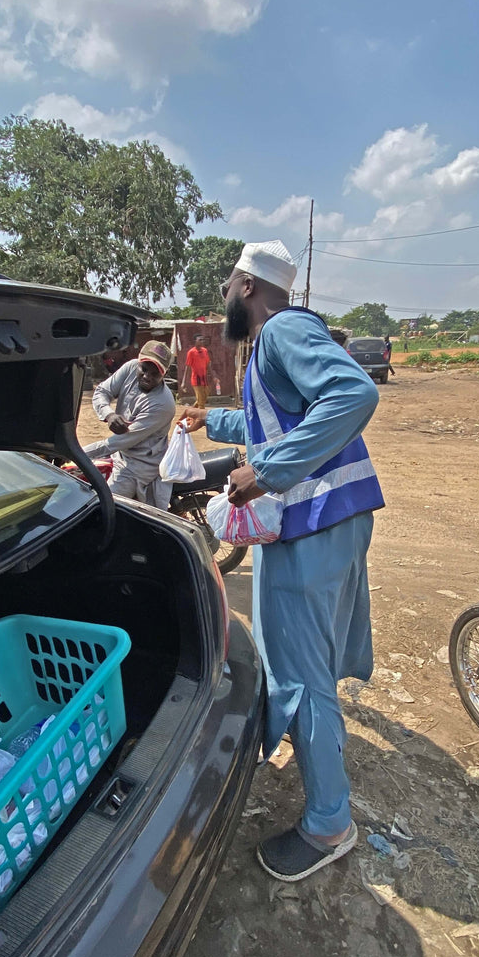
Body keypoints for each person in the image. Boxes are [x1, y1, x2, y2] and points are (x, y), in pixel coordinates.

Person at [180, 240, 384, 882]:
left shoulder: (282, 330)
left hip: (314, 521)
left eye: (224, 287)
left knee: (297, 674)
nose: (222, 300)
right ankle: (323, 787)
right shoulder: (282, 341)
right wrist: (209, 421)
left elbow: (352, 395)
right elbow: (277, 419)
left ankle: (329, 824)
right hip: (337, 519)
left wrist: (263, 472)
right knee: (307, 662)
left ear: (244, 285)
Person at [84, 340, 176, 510]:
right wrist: (108, 414)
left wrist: (78, 455)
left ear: (165, 373)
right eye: (144, 369)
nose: (147, 376)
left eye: (155, 373)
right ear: (138, 361)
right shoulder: (130, 368)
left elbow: (117, 442)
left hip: (139, 464)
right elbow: (102, 392)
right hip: (120, 453)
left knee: (101, 507)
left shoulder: (163, 404)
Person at [181, 333, 218, 408]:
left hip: (204, 379)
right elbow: (187, 367)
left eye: (203, 340)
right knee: (201, 402)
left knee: (202, 398)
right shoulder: (191, 352)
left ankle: (191, 412)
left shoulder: (205, 351)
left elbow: (208, 365)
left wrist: (214, 376)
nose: (202, 341)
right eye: (200, 340)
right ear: (195, 341)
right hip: (196, 379)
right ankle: (201, 417)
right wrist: (183, 382)